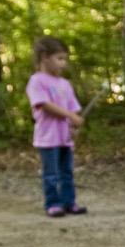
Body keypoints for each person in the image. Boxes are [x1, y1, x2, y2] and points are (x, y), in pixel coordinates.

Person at [26, 36, 86, 218]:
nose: (63, 64)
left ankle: (69, 202)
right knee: (51, 173)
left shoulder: (65, 84)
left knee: (66, 172)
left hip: (64, 138)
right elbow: (43, 104)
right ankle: (53, 203)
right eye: (59, 59)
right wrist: (69, 115)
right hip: (47, 137)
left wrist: (74, 125)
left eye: (65, 59)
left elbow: (73, 107)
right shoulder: (37, 81)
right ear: (45, 57)